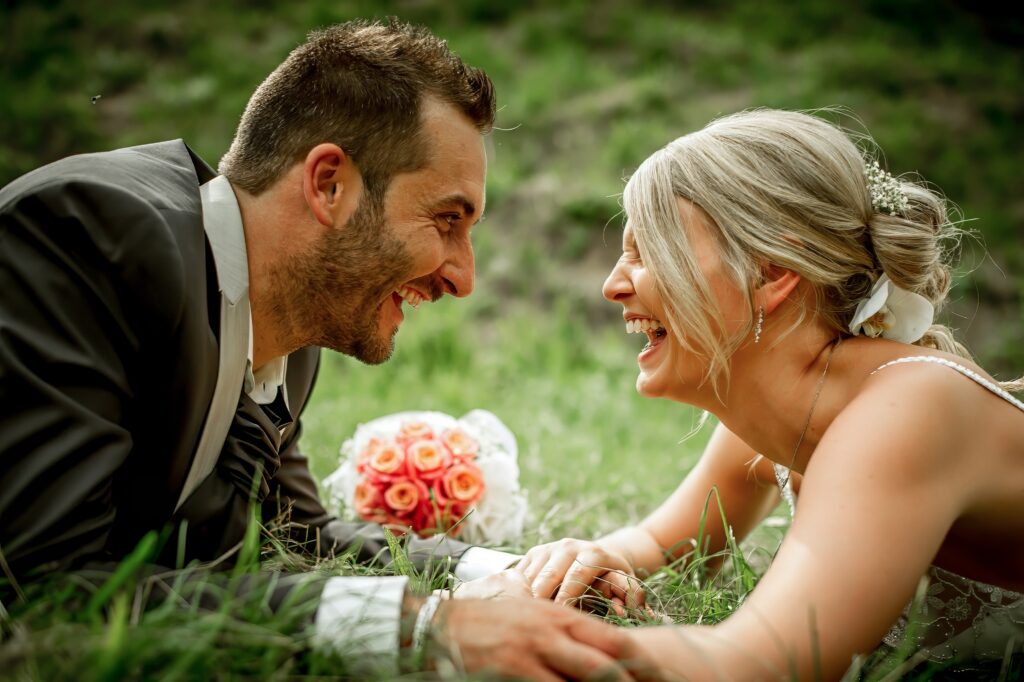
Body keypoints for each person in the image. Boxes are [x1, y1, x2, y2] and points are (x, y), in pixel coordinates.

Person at [0, 19, 631, 679]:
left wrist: (514, 572)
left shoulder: (289, 333)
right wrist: (419, 625)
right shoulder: (85, 236)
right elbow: (44, 585)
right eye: (446, 220)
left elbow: (293, 533)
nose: (463, 278)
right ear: (329, 184)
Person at [514, 109, 1024, 679]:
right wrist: (600, 558)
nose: (612, 285)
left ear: (770, 273)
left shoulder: (911, 408)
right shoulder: (777, 415)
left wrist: (456, 633)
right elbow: (666, 544)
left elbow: (759, 662)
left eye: (647, 251)